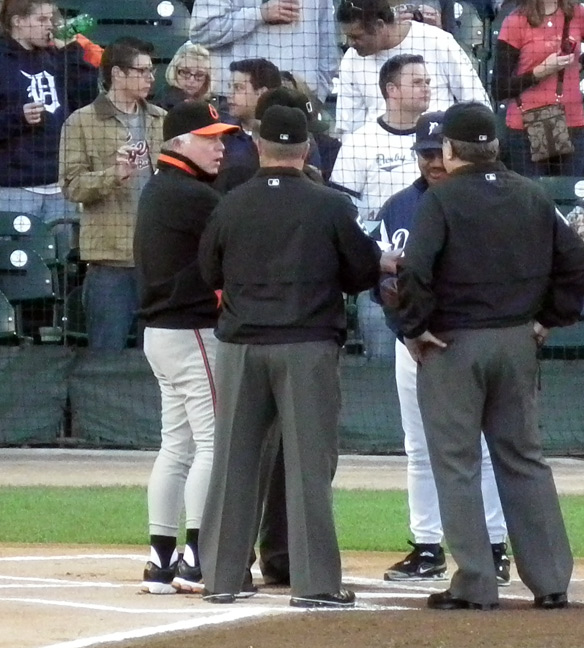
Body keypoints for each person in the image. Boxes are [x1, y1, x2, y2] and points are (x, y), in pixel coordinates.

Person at [397, 102, 584, 610]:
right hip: (517, 342)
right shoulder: (530, 195)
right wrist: (549, 317)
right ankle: (551, 582)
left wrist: (414, 328)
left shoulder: (440, 200)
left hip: (454, 346)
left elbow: (414, 271)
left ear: (449, 150)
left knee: (457, 464)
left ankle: (477, 583)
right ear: (493, 147)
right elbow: (575, 260)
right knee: (524, 459)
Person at [197, 105, 382, 606]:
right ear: (305, 150)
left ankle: (221, 577)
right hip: (306, 345)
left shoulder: (230, 203)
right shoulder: (330, 206)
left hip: (240, 345)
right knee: (307, 466)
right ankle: (315, 583)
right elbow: (364, 273)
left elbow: (208, 272)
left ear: (260, 148)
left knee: (233, 461)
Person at [375, 111, 510, 584]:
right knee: (419, 448)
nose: (433, 162)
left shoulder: (482, 200)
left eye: (439, 153)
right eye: (425, 153)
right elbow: (381, 282)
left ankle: (494, 547)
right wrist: (407, 332)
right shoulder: (397, 207)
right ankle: (427, 547)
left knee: (483, 446)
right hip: (411, 344)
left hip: (466, 339)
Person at [133, 101, 238, 594]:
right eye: (210, 138)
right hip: (193, 331)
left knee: (176, 447)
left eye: (221, 138)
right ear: (179, 143)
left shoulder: (163, 187)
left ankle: (160, 561)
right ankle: (196, 558)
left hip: (162, 334)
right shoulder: (192, 196)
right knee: (212, 445)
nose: (220, 147)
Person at [59, 37, 165, 350]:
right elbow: (71, 185)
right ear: (117, 74)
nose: (150, 77)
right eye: (142, 71)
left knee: (160, 360)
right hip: (110, 263)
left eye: (151, 71)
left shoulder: (162, 119)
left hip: (158, 261)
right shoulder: (80, 122)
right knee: (107, 359)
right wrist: (113, 176)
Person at [0, 0, 100, 229]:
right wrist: (18, 118)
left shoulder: (57, 55)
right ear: (18, 22)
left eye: (51, 20)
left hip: (60, 185)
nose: (50, 27)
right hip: (14, 189)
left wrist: (71, 50)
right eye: (42, 20)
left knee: (64, 261)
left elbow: (88, 99)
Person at [334, 0, 490, 135]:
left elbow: (475, 100)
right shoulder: (351, 59)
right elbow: (349, 126)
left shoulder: (438, 41)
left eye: (356, 37)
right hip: (377, 159)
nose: (350, 43)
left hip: (438, 151)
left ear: (379, 25)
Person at [491, 0, 584, 177]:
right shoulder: (516, 21)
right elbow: (499, 89)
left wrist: (579, 65)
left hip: (571, 123)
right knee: (532, 198)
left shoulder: (577, 13)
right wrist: (540, 72)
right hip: (525, 127)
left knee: (568, 194)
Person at [331, 54, 430, 234]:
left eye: (427, 82)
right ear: (391, 89)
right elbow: (342, 208)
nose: (426, 88)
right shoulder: (359, 142)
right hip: (379, 248)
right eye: (417, 82)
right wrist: (379, 241)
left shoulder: (438, 139)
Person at [189, 0, 341, 102]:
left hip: (298, 101)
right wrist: (259, 14)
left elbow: (327, 43)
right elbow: (201, 31)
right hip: (238, 104)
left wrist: (318, 96)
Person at [215, 57, 281, 192]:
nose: (229, 95)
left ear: (262, 93)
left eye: (238, 88)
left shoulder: (295, 135)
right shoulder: (220, 134)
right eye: (229, 87)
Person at [154, 43, 214, 111]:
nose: (191, 80)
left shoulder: (213, 105)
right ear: (175, 71)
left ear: (207, 79)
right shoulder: (164, 101)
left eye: (199, 75)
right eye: (185, 72)